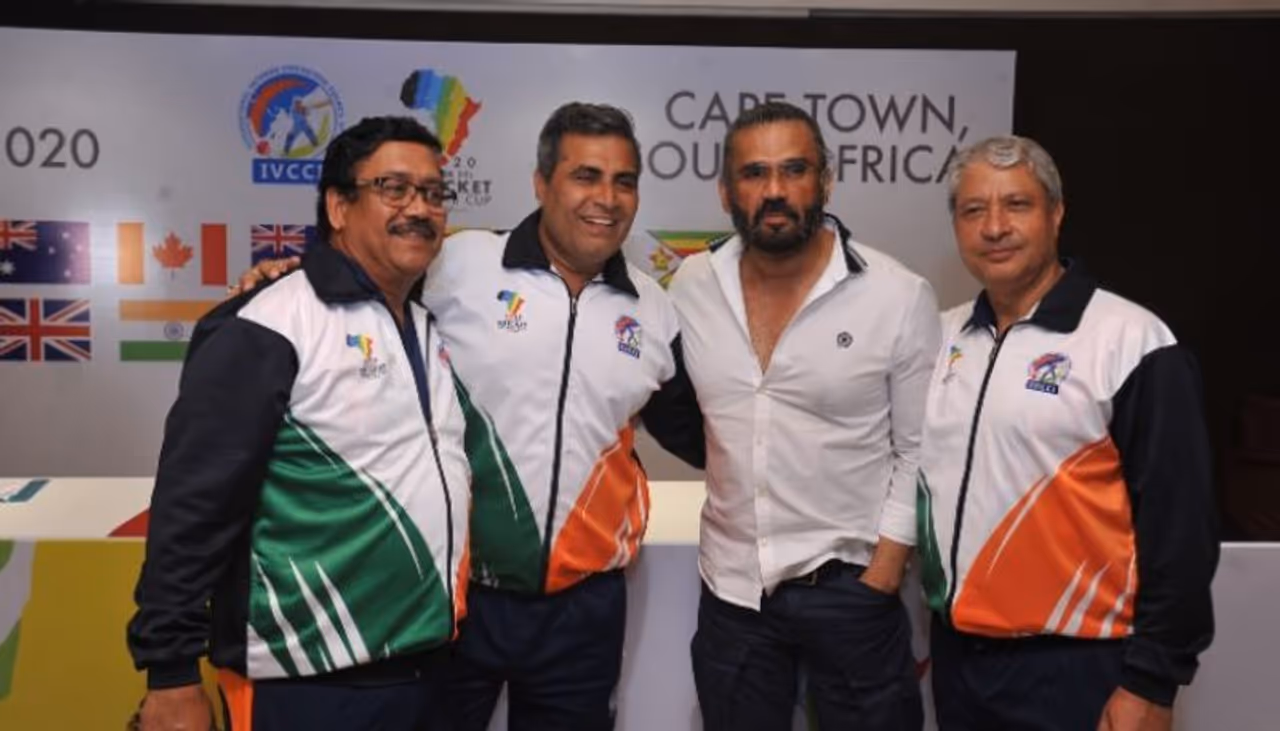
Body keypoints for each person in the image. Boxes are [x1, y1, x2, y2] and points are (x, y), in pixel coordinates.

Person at [232, 102, 703, 731]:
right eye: (585, 176)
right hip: (453, 597)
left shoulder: (653, 309)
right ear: (541, 184)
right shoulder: (456, 264)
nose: (607, 199)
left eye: (624, 181)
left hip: (584, 609)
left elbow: (699, 435)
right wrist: (290, 275)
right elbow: (358, 281)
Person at [126, 116, 471, 731]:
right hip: (304, 685)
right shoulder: (272, 322)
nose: (419, 209)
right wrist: (171, 673)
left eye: (433, 193)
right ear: (339, 207)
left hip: (423, 674)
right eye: (394, 189)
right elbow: (192, 506)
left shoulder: (423, 326)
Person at [915, 135, 1218, 731]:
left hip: (1082, 668)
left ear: (1056, 213)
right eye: (974, 210)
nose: (994, 227)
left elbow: (1181, 525)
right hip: (960, 664)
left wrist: (1152, 681)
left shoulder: (1130, 340)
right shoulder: (939, 337)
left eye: (1017, 205)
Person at [667, 100, 938, 730]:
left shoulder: (897, 295)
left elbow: (919, 449)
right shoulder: (692, 285)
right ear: (725, 191)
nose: (775, 190)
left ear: (826, 181)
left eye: (794, 170)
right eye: (754, 173)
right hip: (733, 595)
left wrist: (883, 572)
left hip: (851, 590)